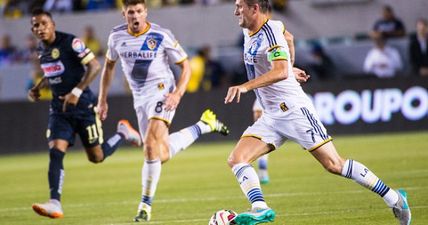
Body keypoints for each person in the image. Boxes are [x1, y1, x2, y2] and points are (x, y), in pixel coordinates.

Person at [224, 1, 411, 225]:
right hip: (271, 116)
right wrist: (288, 67)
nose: (235, 11)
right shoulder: (249, 31)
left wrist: (256, 82)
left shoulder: (271, 31)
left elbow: (281, 67)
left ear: (254, 8)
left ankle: (394, 198)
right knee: (237, 159)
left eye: (239, 6)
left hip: (294, 111)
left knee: (334, 165)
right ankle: (260, 208)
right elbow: (290, 39)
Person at [97, 0, 230, 222]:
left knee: (149, 145)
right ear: (124, 14)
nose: (136, 16)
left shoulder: (161, 35)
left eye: (139, 11)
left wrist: (177, 93)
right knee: (159, 154)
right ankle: (203, 126)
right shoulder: (116, 37)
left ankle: (145, 206)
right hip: (140, 98)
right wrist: (102, 100)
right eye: (131, 12)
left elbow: (185, 66)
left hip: (162, 92)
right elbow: (108, 67)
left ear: (145, 12)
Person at [28, 9, 142, 219]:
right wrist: (38, 87)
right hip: (59, 110)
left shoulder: (71, 42)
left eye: (44, 23)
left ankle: (123, 133)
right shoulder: (41, 49)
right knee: (56, 151)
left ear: (52, 24)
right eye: (35, 25)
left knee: (96, 157)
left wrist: (77, 91)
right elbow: (51, 72)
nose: (40, 28)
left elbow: (95, 66)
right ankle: (55, 202)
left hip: (83, 108)